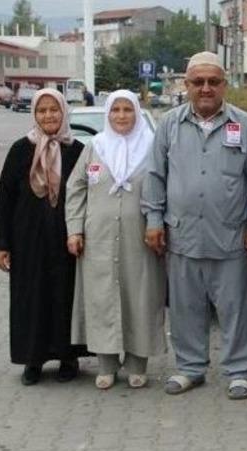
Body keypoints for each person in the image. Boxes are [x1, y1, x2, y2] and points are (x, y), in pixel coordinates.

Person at [141, 52, 247, 399]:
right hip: (182, 233)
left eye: (213, 81)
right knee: (185, 306)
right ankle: (190, 367)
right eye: (198, 82)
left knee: (236, 307)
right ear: (186, 85)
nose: (206, 88)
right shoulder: (169, 124)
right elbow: (155, 174)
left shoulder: (244, 126)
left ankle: (239, 370)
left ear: (224, 84)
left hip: (231, 234)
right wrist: (153, 219)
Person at [65, 90, 167, 390]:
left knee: (141, 297)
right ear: (107, 114)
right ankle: (106, 363)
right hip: (98, 239)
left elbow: (165, 187)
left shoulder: (152, 148)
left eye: (128, 110)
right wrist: (74, 229)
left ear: (137, 113)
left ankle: (137, 363)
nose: (121, 116)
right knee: (101, 298)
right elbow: (76, 189)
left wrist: (161, 226)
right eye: (116, 110)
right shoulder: (95, 147)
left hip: (142, 239)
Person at [0, 88, 89, 385]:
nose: (49, 116)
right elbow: (4, 197)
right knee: (30, 298)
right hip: (27, 240)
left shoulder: (77, 150)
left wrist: (82, 232)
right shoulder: (21, 149)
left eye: (54, 110)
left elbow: (87, 196)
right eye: (42, 111)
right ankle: (32, 360)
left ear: (63, 112)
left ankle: (68, 358)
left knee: (65, 295)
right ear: (34, 114)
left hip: (66, 240)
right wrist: (1, 244)